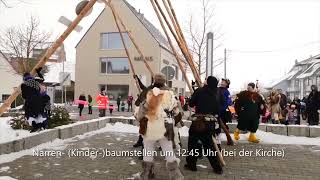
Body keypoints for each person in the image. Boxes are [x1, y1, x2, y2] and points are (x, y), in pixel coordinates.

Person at [135, 73, 184, 179]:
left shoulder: (149, 93)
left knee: (148, 150)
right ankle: (176, 175)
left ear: (154, 81)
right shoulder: (171, 94)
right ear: (164, 81)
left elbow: (140, 113)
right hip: (165, 127)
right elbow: (178, 112)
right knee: (168, 151)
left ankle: (147, 174)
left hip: (150, 127)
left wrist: (139, 117)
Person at [184, 76, 224, 175]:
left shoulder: (200, 91)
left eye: (206, 80)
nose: (204, 81)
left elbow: (191, 103)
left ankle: (191, 165)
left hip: (198, 121)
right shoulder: (219, 93)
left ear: (208, 82)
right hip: (210, 122)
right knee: (209, 146)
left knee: (192, 144)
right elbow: (221, 107)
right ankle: (217, 167)